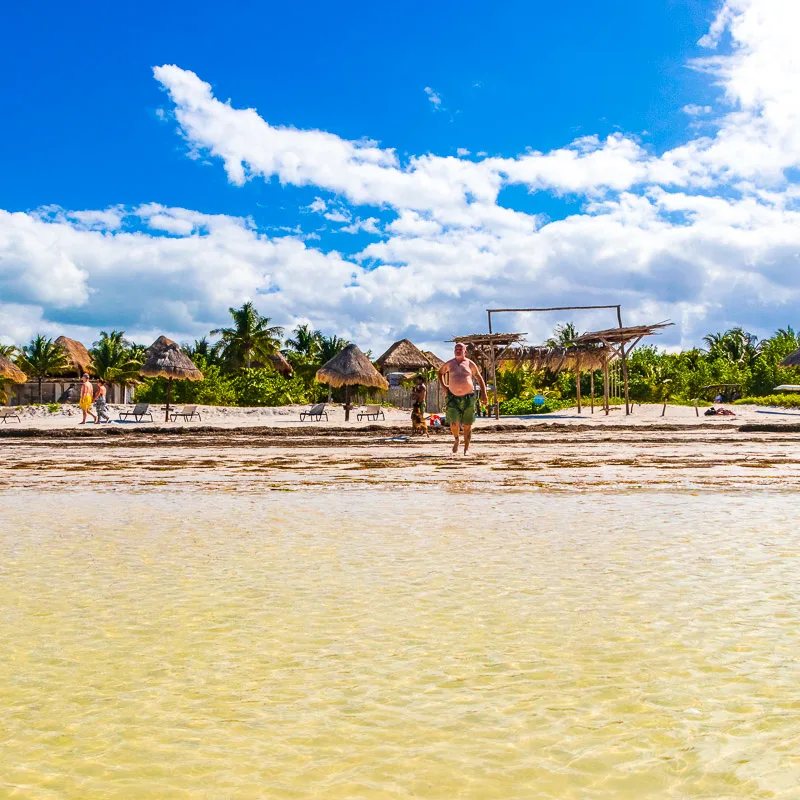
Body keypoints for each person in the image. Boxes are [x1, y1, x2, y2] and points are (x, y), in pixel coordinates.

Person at [438, 342, 489, 455]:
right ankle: (456, 439)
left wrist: (484, 395)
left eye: (460, 349)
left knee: (467, 424)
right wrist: (444, 386)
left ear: (465, 351)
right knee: (453, 421)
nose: (458, 350)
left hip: (468, 397)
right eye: (456, 349)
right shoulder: (450, 364)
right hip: (453, 397)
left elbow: (480, 379)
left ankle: (466, 447)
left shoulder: (470, 364)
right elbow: (440, 373)